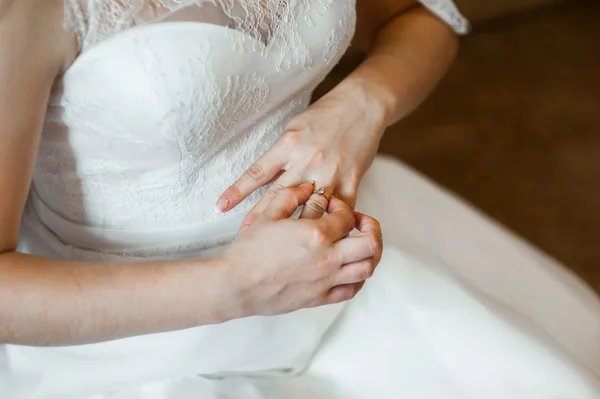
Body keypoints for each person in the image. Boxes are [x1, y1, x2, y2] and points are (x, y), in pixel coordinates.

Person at [0, 0, 598, 398]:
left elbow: (421, 17)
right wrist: (233, 286)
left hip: (343, 272)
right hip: (134, 350)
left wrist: (364, 102)